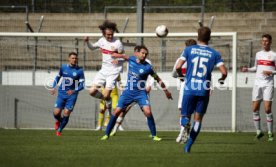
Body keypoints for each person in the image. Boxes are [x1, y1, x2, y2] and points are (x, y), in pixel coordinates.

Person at [101, 45, 173, 141]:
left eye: (146, 54)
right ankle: (107, 134)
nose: (144, 55)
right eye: (142, 53)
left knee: (148, 111)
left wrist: (166, 91)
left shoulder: (148, 67)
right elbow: (123, 56)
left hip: (140, 93)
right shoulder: (132, 59)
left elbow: (158, 79)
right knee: (117, 111)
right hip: (128, 92)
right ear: (137, 53)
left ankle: (154, 135)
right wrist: (115, 55)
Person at [176, 26, 227, 153]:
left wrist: (182, 76)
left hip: (189, 88)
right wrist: (222, 79)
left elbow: (178, 67)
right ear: (209, 38)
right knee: (198, 120)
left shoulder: (188, 50)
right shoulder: (214, 53)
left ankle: (185, 122)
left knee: (185, 114)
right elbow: (224, 72)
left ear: (197, 36)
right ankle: (188, 146)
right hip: (204, 89)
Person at [109, 45, 155, 136]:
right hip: (130, 90)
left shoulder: (147, 63)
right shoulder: (131, 60)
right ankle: (115, 129)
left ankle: (152, 133)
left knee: (147, 111)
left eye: (143, 53)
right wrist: (116, 60)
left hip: (142, 90)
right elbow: (119, 60)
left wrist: (149, 85)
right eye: (136, 52)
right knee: (124, 110)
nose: (137, 54)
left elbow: (153, 75)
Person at [84, 20, 124, 117]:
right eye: (108, 34)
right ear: (103, 33)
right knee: (91, 91)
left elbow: (124, 56)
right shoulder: (101, 41)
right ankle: (107, 100)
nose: (110, 36)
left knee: (106, 94)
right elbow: (92, 47)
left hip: (113, 72)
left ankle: (107, 100)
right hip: (103, 71)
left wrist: (119, 60)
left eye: (111, 34)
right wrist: (87, 42)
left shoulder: (118, 42)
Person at [241, 34, 276, 142]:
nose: (264, 43)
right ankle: (258, 132)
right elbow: (256, 67)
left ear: (270, 42)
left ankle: (270, 133)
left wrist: (271, 72)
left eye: (266, 41)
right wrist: (247, 69)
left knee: (267, 109)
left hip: (268, 84)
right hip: (257, 84)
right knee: (255, 109)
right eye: (263, 41)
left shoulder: (274, 55)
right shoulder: (258, 54)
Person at [50, 52, 85, 136]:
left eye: (76, 58)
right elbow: (57, 77)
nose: (74, 60)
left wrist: (74, 91)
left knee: (66, 113)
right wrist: (54, 86)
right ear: (69, 59)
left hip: (72, 96)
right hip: (61, 93)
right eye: (72, 58)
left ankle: (59, 130)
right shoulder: (63, 67)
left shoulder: (79, 71)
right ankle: (59, 121)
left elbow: (82, 85)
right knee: (56, 113)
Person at [172, 39, 197, 143]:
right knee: (190, 112)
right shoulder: (198, 59)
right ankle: (186, 132)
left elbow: (174, 73)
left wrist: (181, 77)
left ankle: (181, 133)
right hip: (197, 86)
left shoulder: (181, 59)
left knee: (183, 111)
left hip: (185, 86)